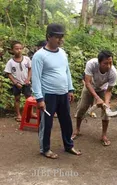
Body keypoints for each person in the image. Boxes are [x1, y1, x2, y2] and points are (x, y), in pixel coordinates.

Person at [32, 23, 81, 159]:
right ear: (49, 37)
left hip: (63, 93)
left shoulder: (62, 53)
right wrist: (39, 99)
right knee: (46, 124)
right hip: (48, 95)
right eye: (57, 37)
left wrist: (70, 89)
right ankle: (45, 149)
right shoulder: (39, 56)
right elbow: (35, 78)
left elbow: (67, 72)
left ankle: (69, 145)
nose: (60, 40)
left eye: (62, 37)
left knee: (66, 121)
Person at [73, 50, 117, 146]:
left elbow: (109, 91)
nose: (109, 66)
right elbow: (87, 82)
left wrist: (106, 102)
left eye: (111, 62)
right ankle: (77, 129)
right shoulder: (91, 64)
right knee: (81, 108)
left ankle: (104, 135)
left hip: (103, 89)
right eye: (106, 63)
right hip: (90, 86)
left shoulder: (113, 72)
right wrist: (97, 98)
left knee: (106, 112)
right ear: (99, 62)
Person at [4, 41, 33, 122]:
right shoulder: (10, 62)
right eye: (16, 49)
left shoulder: (26, 59)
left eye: (20, 48)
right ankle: (18, 115)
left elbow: (30, 69)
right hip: (17, 84)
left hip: (26, 83)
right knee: (17, 98)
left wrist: (28, 78)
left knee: (29, 98)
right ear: (12, 50)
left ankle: (31, 113)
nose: (19, 50)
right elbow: (8, 73)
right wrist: (15, 82)